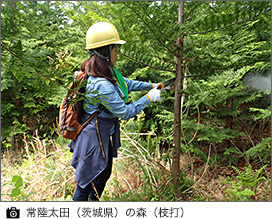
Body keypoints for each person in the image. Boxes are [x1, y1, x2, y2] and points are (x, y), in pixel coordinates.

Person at [68, 22, 163, 201]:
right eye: (115, 48)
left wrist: (151, 86)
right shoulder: (100, 84)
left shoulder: (105, 71)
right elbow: (125, 112)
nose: (118, 52)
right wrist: (149, 98)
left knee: (103, 174)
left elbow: (126, 83)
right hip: (93, 138)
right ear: (105, 51)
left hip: (102, 134)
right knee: (86, 181)